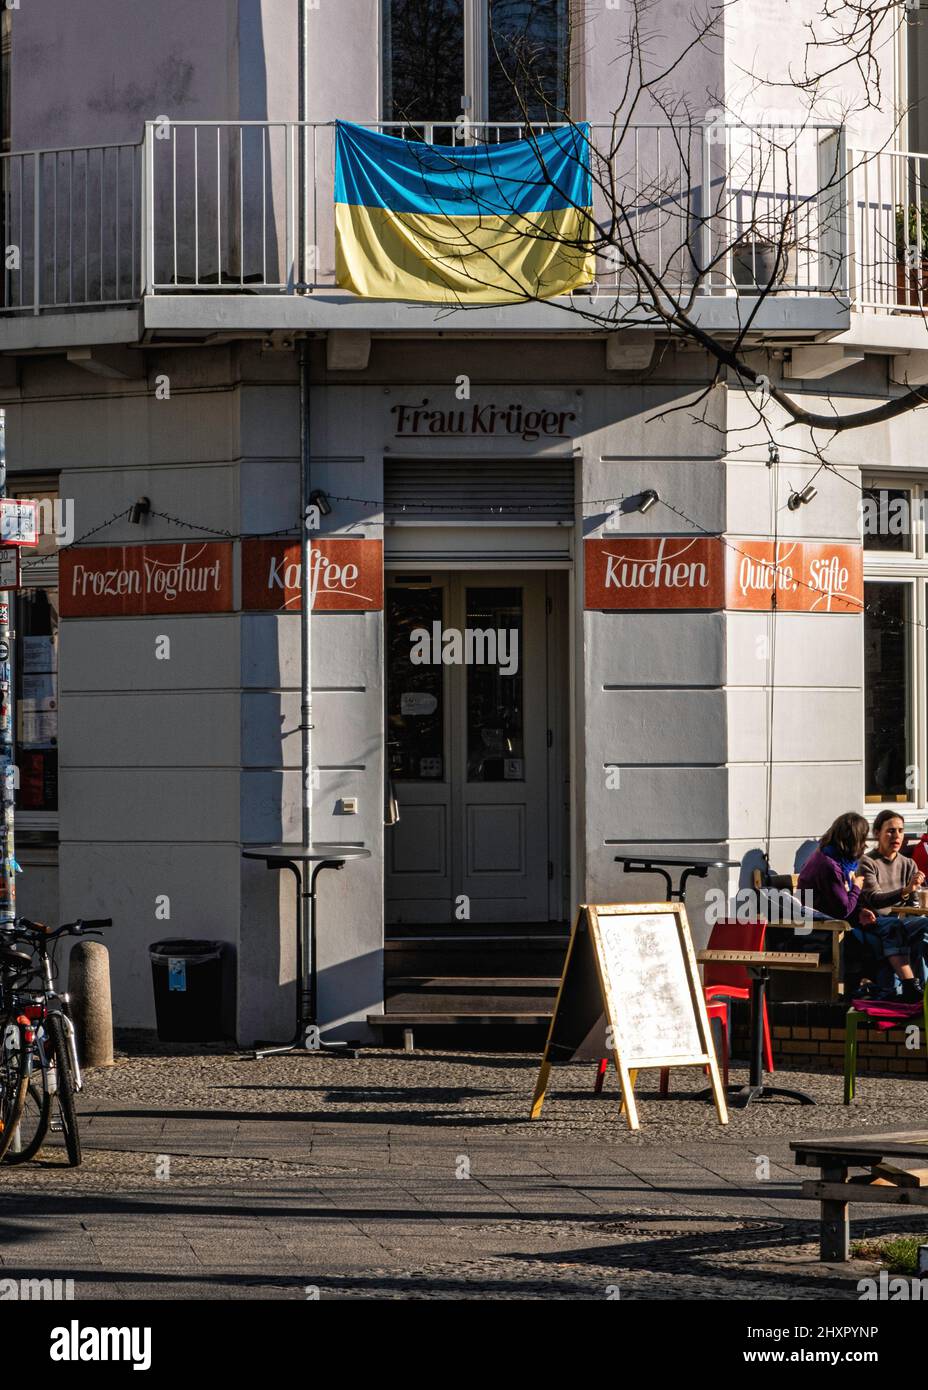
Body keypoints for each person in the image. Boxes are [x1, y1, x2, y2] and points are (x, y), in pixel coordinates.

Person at [797, 812, 890, 998]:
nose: (865, 845)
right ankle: (860, 996)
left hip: (830, 923)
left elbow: (838, 904)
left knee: (888, 930)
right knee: (874, 940)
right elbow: (842, 908)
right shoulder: (828, 865)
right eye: (863, 839)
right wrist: (857, 887)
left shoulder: (834, 860)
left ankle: (878, 992)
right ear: (852, 840)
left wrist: (859, 913)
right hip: (817, 932)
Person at [859, 809, 928, 1003]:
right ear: (877, 833)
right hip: (876, 920)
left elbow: (914, 904)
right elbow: (875, 899)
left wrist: (915, 896)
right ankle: (910, 985)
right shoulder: (868, 862)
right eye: (890, 831)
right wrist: (905, 890)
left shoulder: (908, 864)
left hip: (903, 920)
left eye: (900, 830)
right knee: (894, 927)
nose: (896, 836)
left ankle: (922, 987)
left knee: (924, 928)